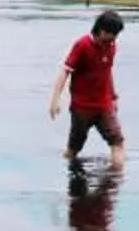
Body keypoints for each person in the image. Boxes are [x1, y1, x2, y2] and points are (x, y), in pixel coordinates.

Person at [48, 9, 126, 169]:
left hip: (104, 106)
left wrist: (113, 97)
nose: (115, 39)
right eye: (113, 35)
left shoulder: (111, 46)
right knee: (73, 150)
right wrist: (55, 100)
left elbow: (107, 71)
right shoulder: (82, 45)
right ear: (102, 31)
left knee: (117, 142)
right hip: (82, 108)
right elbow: (65, 72)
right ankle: (65, 174)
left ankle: (115, 182)